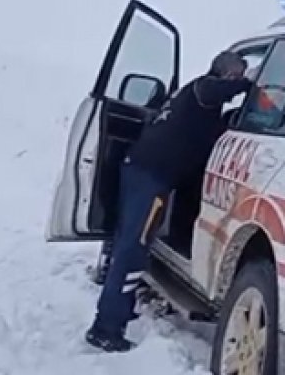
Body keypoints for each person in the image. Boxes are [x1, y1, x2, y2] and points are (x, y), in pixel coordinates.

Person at [85, 50, 253, 352]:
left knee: (127, 243)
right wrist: (252, 85)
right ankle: (106, 327)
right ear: (228, 75)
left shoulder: (193, 99)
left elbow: (206, 135)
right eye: (238, 75)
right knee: (133, 250)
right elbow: (216, 90)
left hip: (139, 170)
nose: (238, 81)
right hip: (151, 178)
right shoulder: (204, 89)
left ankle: (116, 308)